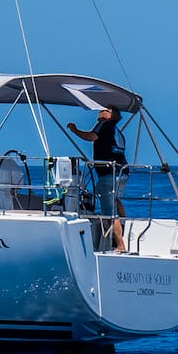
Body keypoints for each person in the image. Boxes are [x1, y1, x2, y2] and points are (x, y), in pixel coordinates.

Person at [67, 105, 127, 252]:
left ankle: (120, 245)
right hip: (122, 172)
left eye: (104, 110)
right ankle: (125, 225)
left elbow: (91, 137)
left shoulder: (104, 124)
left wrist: (75, 130)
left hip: (108, 174)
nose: (100, 113)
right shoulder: (117, 131)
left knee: (109, 212)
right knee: (116, 200)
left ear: (111, 115)